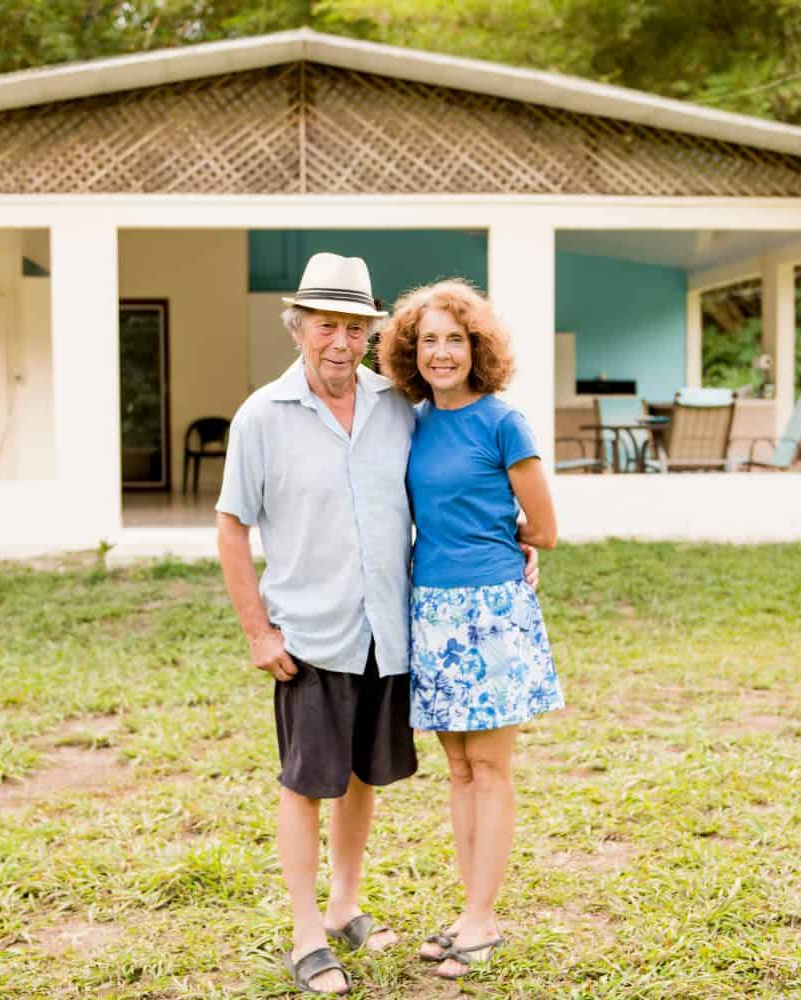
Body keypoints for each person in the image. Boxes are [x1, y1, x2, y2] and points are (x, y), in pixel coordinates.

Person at [215, 254, 536, 996]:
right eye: (327, 326)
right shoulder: (263, 415)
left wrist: (514, 543)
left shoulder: (398, 406)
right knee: (305, 784)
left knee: (362, 777)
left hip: (389, 634)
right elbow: (232, 529)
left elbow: (456, 490)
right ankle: (304, 938)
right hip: (311, 635)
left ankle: (344, 907)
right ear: (300, 328)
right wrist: (258, 633)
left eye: (356, 328)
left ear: (371, 334)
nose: (340, 342)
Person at [377, 279, 564, 982]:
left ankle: (484, 919)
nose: (441, 352)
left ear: (476, 347)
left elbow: (544, 527)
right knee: (456, 770)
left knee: (490, 769)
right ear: (411, 351)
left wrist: (512, 546)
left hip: (489, 614)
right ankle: (469, 912)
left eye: (455, 339)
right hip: (430, 610)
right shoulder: (412, 421)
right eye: (428, 340)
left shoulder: (502, 422)